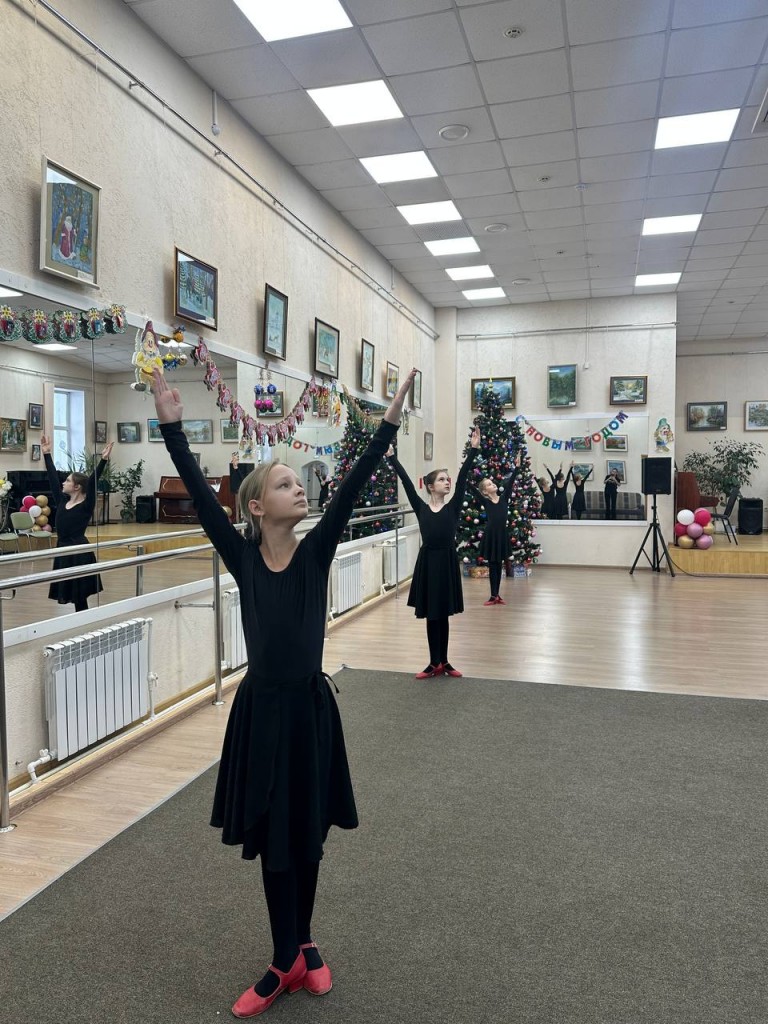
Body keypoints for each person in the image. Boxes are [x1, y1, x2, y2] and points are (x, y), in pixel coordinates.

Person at [152, 365, 416, 1018]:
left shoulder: (317, 550)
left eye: (300, 483)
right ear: (255, 507)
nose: (300, 489)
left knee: (308, 834)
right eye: (285, 483)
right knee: (275, 839)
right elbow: (199, 496)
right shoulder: (242, 557)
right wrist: (172, 428)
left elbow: (354, 481)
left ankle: (302, 942)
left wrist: (386, 422)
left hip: (309, 713)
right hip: (262, 715)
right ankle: (283, 959)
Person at [387, 426, 480, 679]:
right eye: (441, 479)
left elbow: (463, 478)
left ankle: (445, 662)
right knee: (431, 614)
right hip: (428, 562)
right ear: (430, 486)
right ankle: (433, 663)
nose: (447, 482)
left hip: (446, 561)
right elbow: (407, 483)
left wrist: (473, 450)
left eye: (447, 479)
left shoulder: (453, 507)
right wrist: (392, 458)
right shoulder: (421, 508)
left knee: (443, 614)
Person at [42, 435, 113, 612]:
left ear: (77, 487)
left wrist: (103, 460)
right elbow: (52, 478)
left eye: (67, 480)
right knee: (70, 592)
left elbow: (92, 482)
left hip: (78, 551)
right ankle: (80, 620)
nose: (63, 483)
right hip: (63, 549)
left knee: (80, 594)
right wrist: (47, 454)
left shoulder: (86, 505)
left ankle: (84, 620)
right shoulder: (61, 501)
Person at [476, 452, 521, 605]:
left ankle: (497, 595)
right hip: (491, 536)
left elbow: (510, 483)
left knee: (499, 565)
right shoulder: (486, 501)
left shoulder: (504, 499)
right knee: (493, 566)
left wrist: (517, 467)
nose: (493, 484)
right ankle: (492, 595)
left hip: (502, 535)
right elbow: (473, 489)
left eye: (492, 482)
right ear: (484, 492)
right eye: (489, 484)